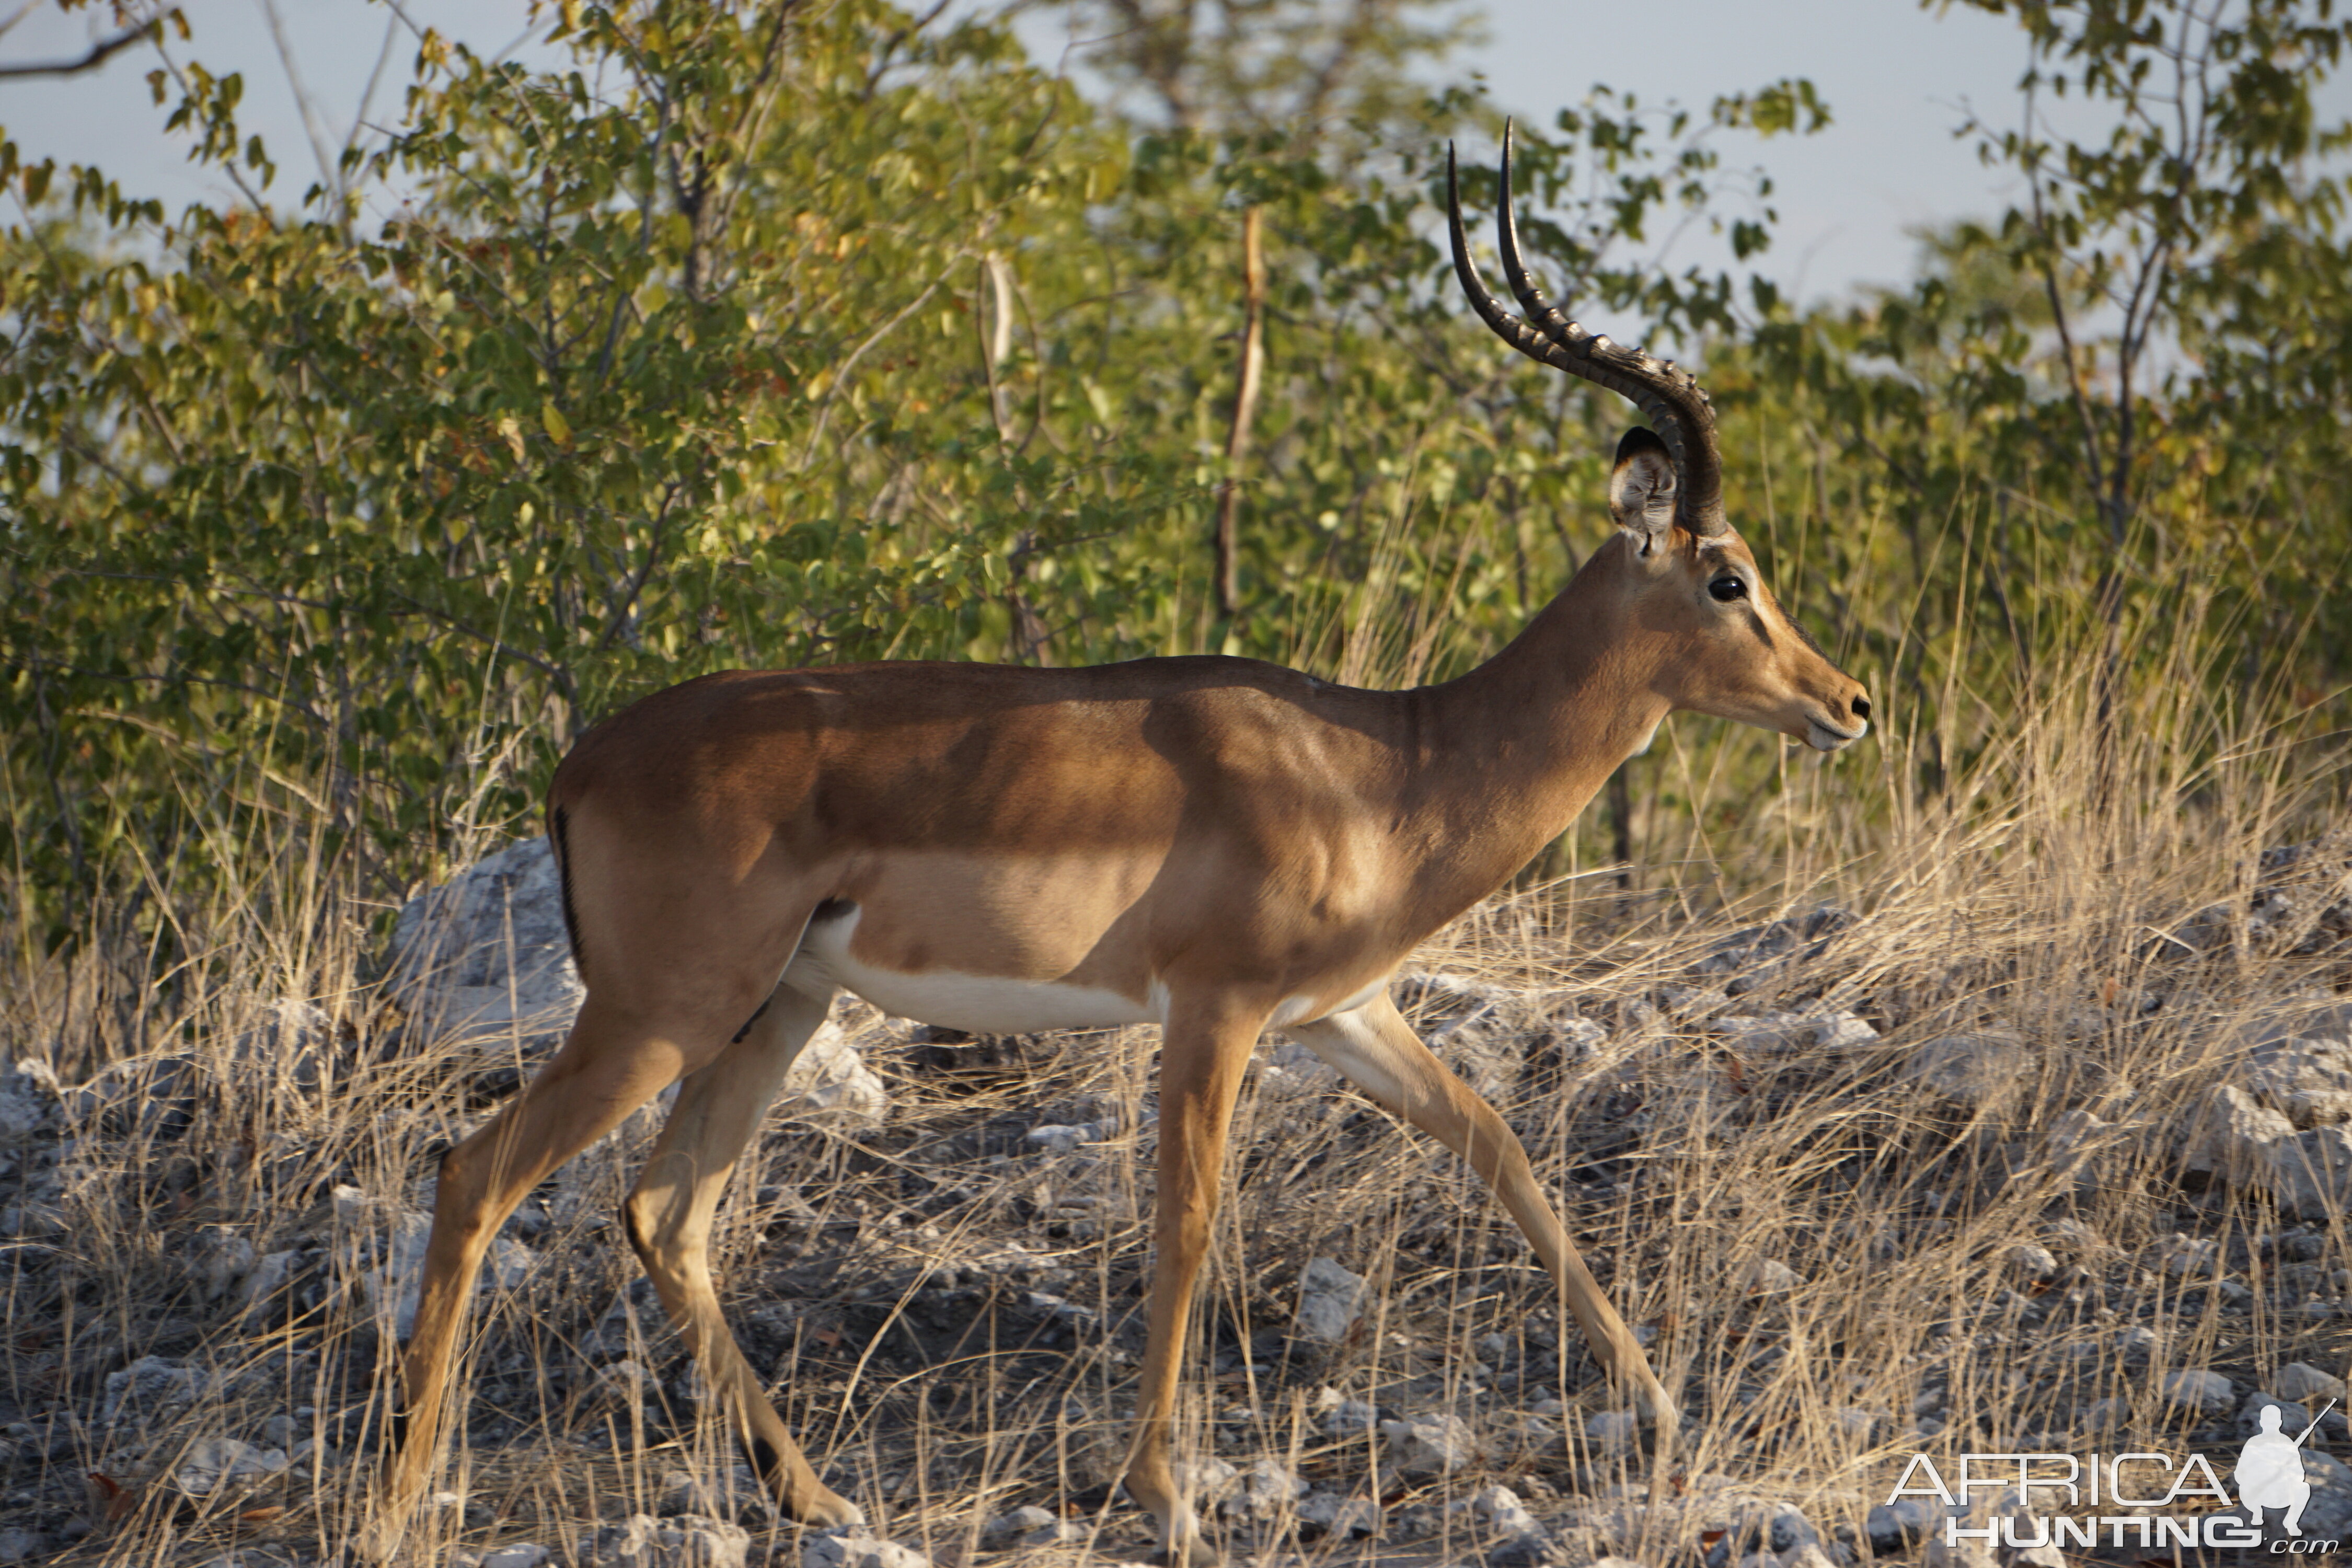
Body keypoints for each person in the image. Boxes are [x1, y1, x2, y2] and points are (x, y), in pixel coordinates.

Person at [2236, 1403, 2311, 1534]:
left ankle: (2291, 1522)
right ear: (2261, 1422)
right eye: (2267, 1421)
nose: (2270, 1424)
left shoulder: (2287, 1443)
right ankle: (2257, 1513)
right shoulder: (2253, 1443)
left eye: (2274, 1421)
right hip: (2258, 1493)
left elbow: (2299, 1472)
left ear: (2280, 1422)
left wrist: (2285, 1474)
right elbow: (2240, 1472)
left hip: (2281, 1492)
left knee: (2304, 1488)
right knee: (2245, 1488)